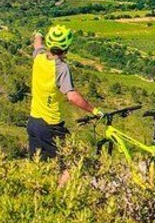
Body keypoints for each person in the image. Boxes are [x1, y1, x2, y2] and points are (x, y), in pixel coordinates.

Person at [27, 25, 101, 160]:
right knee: (72, 160)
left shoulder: (39, 57)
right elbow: (72, 96)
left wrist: (38, 33)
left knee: (40, 165)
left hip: (33, 122)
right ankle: (66, 182)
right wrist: (94, 110)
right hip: (50, 125)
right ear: (66, 48)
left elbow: (37, 44)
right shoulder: (61, 68)